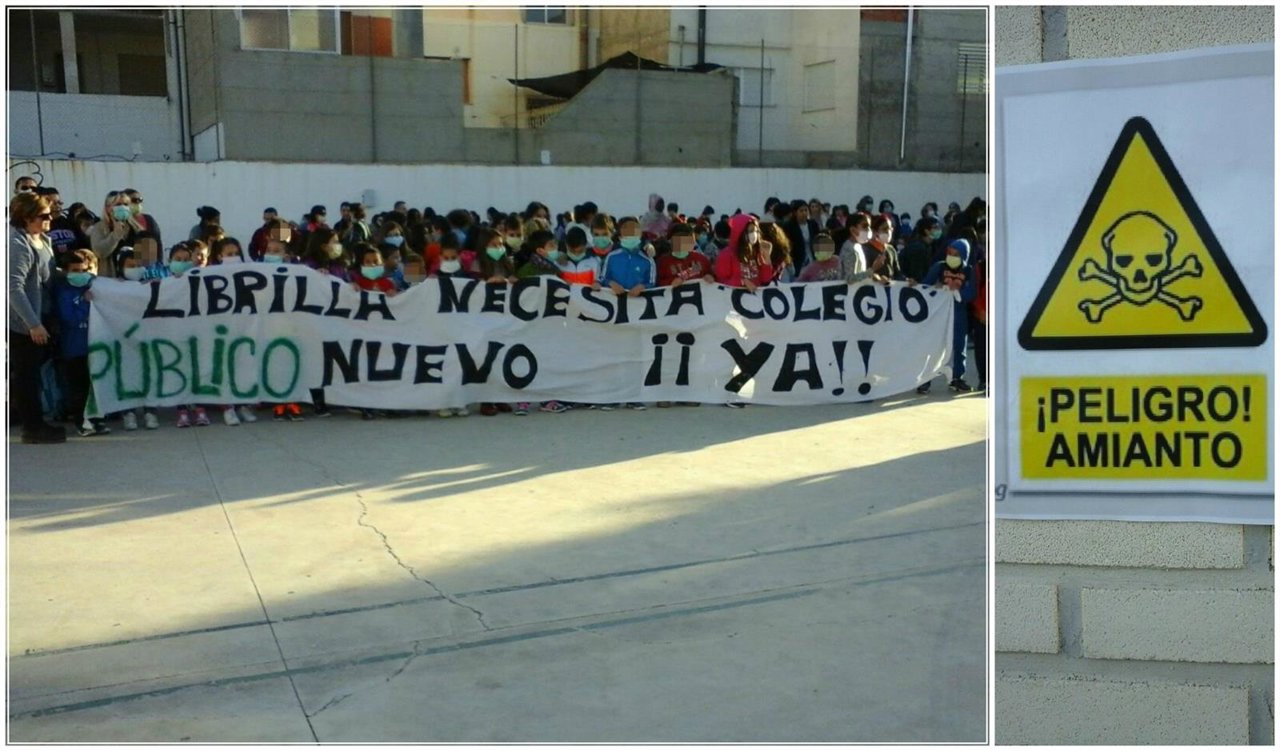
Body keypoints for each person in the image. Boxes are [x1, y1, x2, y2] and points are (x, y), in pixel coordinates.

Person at [10, 192, 66, 443]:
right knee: (26, 376)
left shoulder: (42, 239)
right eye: (44, 216)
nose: (49, 220)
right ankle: (32, 427)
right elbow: (13, 287)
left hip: (44, 314)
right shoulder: (16, 244)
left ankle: (38, 420)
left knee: (35, 373)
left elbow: (49, 275)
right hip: (24, 323)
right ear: (27, 217)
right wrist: (32, 323)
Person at [601, 216, 656, 411]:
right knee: (614, 354)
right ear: (620, 234)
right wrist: (610, 284)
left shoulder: (647, 260)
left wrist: (643, 286)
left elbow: (653, 283)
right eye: (627, 231)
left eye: (635, 231)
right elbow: (602, 279)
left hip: (637, 314)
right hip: (615, 314)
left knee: (636, 355)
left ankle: (634, 396)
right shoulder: (612, 257)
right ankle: (613, 396)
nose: (631, 235)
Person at [52, 250, 108, 436]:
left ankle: (97, 419)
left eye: (83, 270)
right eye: (75, 270)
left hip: (95, 347)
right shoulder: (64, 292)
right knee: (79, 388)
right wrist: (85, 303)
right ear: (66, 271)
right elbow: (69, 318)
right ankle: (81, 421)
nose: (80, 274)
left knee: (96, 387)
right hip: (74, 349)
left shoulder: (93, 287)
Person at [918, 238, 977, 394]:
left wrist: (956, 292)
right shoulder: (939, 267)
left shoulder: (969, 271)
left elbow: (971, 293)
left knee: (959, 347)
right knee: (933, 347)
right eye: (949, 253)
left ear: (963, 255)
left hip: (959, 313)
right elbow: (924, 286)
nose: (951, 256)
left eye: (955, 254)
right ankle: (925, 380)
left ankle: (957, 378)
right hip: (939, 314)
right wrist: (937, 289)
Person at [713, 213, 774, 293]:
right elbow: (720, 283)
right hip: (734, 302)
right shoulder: (726, 254)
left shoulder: (757, 251)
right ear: (740, 232)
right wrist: (742, 282)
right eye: (751, 231)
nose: (754, 234)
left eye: (756, 231)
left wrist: (767, 257)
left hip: (756, 301)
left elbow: (765, 279)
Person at [656, 223, 713, 287]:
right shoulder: (663, 262)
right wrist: (670, 282)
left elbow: (713, 276)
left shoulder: (702, 259)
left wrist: (711, 277)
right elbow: (656, 284)